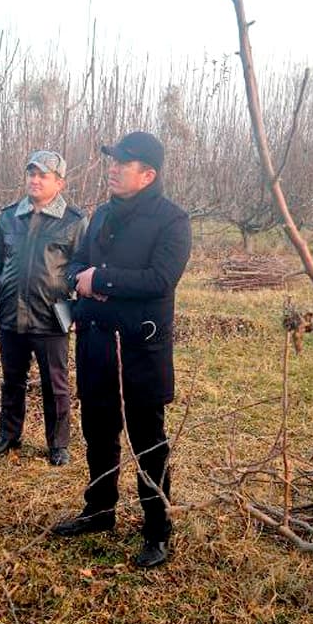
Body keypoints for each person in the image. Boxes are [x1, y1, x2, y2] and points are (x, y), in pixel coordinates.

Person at [49, 131, 191, 569]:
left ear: (148, 174)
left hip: (140, 350)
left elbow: (160, 279)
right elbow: (77, 265)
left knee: (148, 441)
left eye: (122, 163)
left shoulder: (172, 221)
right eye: (111, 160)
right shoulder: (102, 214)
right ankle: (100, 509)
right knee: (98, 430)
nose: (111, 168)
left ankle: (156, 528)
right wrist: (80, 278)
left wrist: (102, 281)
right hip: (96, 345)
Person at [0, 150, 88, 466]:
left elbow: (83, 269)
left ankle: (58, 444)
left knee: (55, 383)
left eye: (43, 175)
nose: (35, 180)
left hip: (51, 316)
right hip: (11, 314)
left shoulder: (74, 221)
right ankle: (8, 436)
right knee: (11, 379)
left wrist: (77, 312)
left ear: (59, 182)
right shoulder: (9, 216)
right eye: (32, 173)